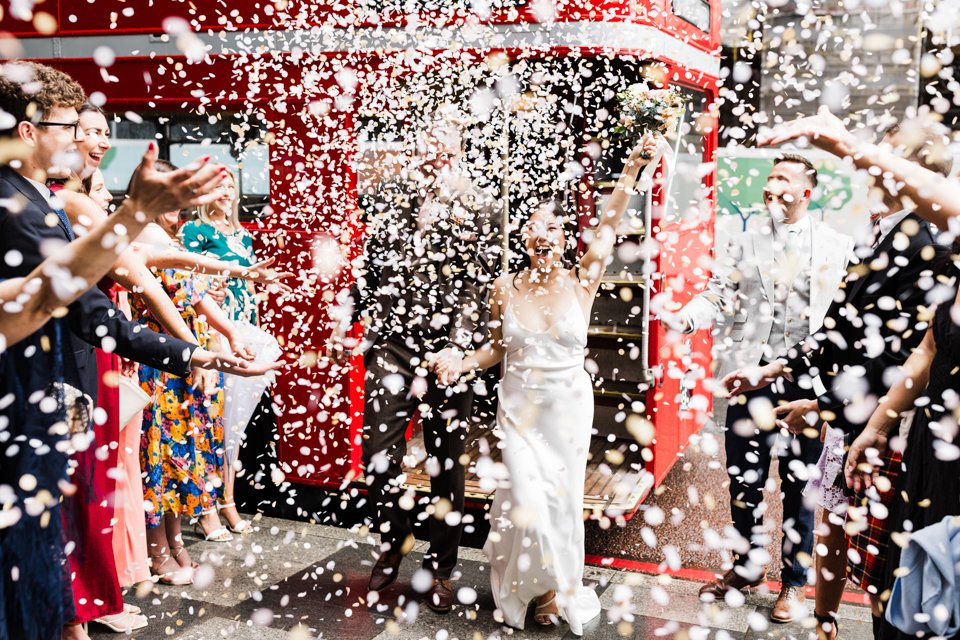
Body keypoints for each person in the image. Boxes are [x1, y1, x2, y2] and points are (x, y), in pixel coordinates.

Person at [0, 61, 226, 640]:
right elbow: (53, 288)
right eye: (69, 127)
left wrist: (191, 354)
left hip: (40, 398)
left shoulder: (36, 196)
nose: (80, 140)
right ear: (29, 130)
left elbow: (90, 309)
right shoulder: (8, 201)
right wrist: (133, 215)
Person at [725, 119, 954, 639]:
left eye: (886, 151)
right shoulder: (883, 232)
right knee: (839, 526)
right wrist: (774, 368)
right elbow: (841, 327)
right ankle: (825, 620)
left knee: (885, 568)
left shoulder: (927, 242)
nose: (869, 161)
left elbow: (896, 356)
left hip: (891, 429)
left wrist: (820, 404)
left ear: (912, 172)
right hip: (855, 421)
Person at [431, 134, 661, 635]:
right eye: (533, 228)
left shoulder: (584, 281)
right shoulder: (504, 288)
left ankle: (549, 592)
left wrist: (630, 170)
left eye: (553, 227)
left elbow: (609, 222)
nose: (543, 234)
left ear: (563, 238)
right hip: (518, 408)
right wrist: (462, 363)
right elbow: (496, 348)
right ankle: (525, 586)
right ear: (524, 240)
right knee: (526, 499)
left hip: (567, 410)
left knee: (558, 502)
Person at [672, 153, 854, 621]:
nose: (772, 185)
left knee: (801, 487)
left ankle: (793, 583)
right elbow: (717, 292)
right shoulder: (744, 238)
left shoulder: (836, 245)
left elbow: (841, 319)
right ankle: (748, 567)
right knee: (743, 482)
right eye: (769, 178)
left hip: (807, 386)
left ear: (806, 193)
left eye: (783, 179)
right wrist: (687, 316)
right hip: (750, 378)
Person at [340, 118, 500, 612]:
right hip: (393, 345)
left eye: (446, 140)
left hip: (451, 351)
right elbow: (368, 268)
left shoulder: (483, 205)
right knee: (377, 454)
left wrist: (457, 348)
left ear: (459, 147)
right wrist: (349, 323)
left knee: (446, 463)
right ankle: (394, 543)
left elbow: (479, 286)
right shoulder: (388, 195)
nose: (436, 148)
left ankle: (443, 568)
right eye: (430, 139)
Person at [181, 168, 278, 535]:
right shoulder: (195, 231)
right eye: (218, 187)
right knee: (213, 418)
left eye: (231, 186)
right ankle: (210, 505)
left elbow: (248, 284)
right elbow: (189, 279)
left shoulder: (243, 235)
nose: (225, 192)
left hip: (243, 327)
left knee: (234, 423)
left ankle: (228, 501)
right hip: (214, 331)